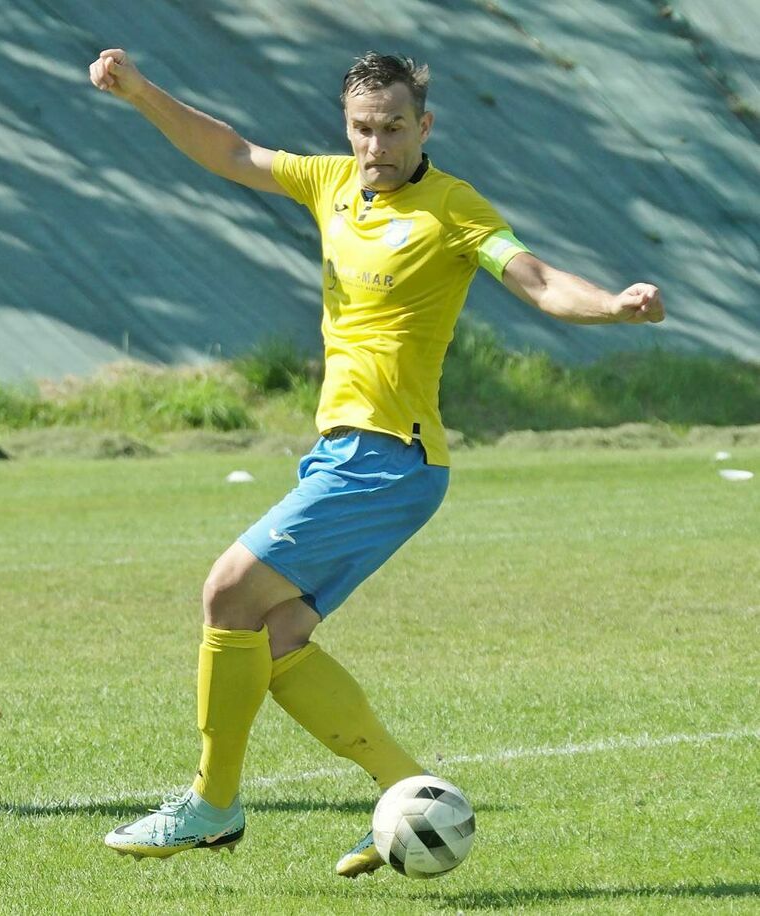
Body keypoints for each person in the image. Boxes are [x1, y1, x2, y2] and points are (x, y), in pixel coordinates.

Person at [88, 50, 664, 874]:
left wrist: (612, 305)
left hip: (391, 459)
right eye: (363, 127)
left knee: (225, 591)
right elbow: (231, 152)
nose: (377, 143)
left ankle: (212, 806)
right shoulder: (330, 183)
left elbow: (535, 280)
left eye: (394, 127)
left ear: (423, 126)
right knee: (276, 637)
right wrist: (143, 91)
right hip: (345, 457)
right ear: (347, 127)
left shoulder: (454, 208)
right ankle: (411, 792)